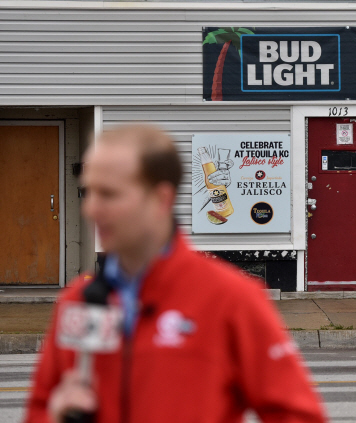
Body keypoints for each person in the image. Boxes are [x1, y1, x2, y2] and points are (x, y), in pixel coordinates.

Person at [24, 124, 326, 423]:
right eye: (87, 192)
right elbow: (39, 408)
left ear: (162, 198)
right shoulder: (78, 301)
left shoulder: (231, 299)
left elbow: (298, 415)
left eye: (109, 194)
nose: (90, 209)